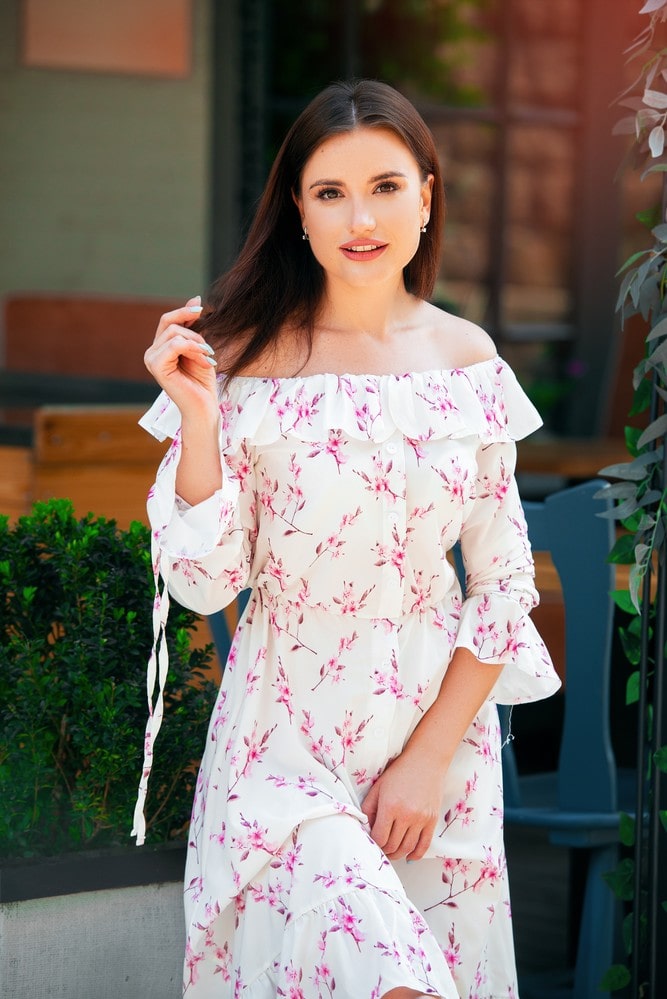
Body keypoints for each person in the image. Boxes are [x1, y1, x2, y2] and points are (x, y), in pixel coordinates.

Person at [135, 79, 560, 999]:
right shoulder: (238, 362)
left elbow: (502, 584)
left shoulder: (467, 361)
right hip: (282, 748)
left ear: (426, 197)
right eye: (330, 192)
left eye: (385, 187)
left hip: (434, 747)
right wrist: (201, 422)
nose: (359, 218)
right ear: (298, 209)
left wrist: (427, 759)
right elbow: (204, 585)